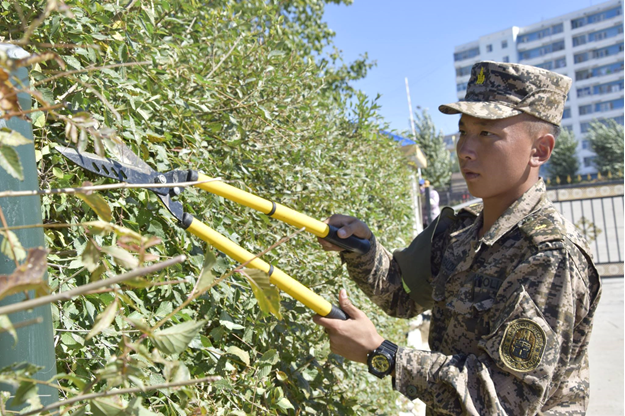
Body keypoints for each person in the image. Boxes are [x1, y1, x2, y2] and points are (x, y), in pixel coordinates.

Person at [314, 61, 601, 415]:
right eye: (463, 131)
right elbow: (401, 294)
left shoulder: (550, 254)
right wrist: (361, 248)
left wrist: (382, 354)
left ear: (539, 150)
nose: (465, 148)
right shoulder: (461, 228)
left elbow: (500, 400)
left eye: (486, 133)